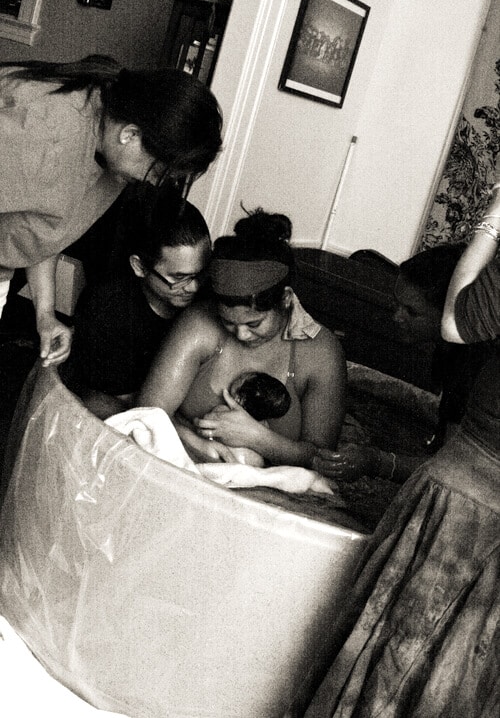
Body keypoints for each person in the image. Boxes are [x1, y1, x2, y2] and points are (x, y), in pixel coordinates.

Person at [299, 188, 500, 718]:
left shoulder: (468, 354)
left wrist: (495, 220)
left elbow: (454, 322)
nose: (396, 318)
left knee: (394, 659)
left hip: (469, 496)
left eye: (410, 309)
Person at [0, 55, 222, 366]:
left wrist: (45, 315)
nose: (155, 184)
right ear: (130, 135)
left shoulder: (110, 155)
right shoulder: (43, 131)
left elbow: (41, 229)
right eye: (158, 172)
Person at [138, 208, 347, 466]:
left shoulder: (320, 352)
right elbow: (148, 411)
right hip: (182, 459)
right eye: (228, 322)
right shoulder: (200, 323)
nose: (241, 334)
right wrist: (199, 445)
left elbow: (322, 459)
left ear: (285, 299)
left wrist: (257, 438)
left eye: (254, 323)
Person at [313, 243, 492, 484]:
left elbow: (452, 468)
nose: (397, 316)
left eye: (411, 311)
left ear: (447, 313)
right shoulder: (447, 351)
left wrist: (377, 462)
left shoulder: (472, 366)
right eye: (397, 303)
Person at [60, 187, 211, 420]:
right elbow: (122, 405)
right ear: (139, 267)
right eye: (179, 278)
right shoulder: (108, 309)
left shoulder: (209, 292)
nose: (193, 287)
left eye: (199, 274)